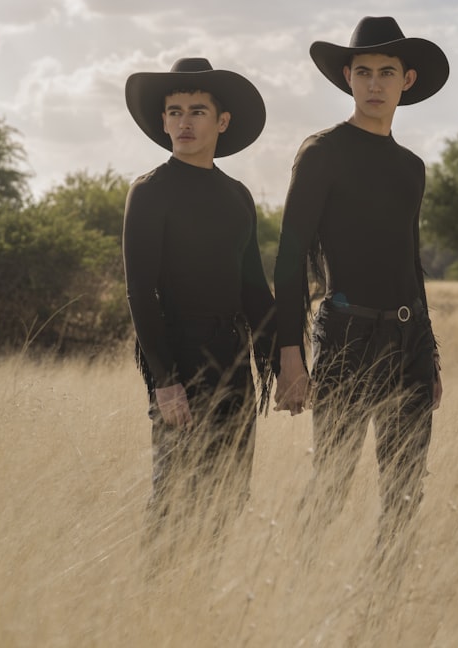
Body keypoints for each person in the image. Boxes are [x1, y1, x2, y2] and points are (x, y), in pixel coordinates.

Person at [272, 16, 448, 550]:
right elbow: (289, 258)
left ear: (406, 81)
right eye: (364, 72)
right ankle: (293, 597)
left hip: (409, 341)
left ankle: (383, 616)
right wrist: (290, 354)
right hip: (346, 335)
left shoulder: (411, 167)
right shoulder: (322, 152)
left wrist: (430, 354)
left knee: (404, 493)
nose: (375, 84)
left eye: (387, 73)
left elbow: (409, 263)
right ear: (348, 77)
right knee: (331, 484)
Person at [122, 58, 274, 549]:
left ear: (222, 121)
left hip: (234, 358)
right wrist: (165, 382)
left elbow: (254, 289)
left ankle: (198, 611)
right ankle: (152, 610)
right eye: (174, 112)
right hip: (179, 360)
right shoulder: (149, 192)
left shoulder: (237, 197)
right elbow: (140, 292)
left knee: (228, 499)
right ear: (163, 121)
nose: (184, 122)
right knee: (174, 500)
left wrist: (282, 359)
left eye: (197, 111)